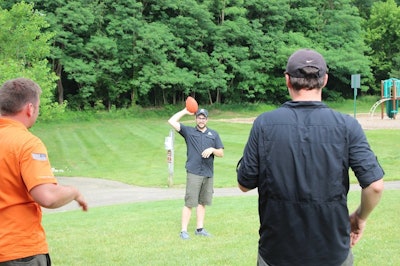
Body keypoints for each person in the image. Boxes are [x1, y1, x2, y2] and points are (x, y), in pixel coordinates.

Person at [237, 49, 384, 266]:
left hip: (276, 254)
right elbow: (375, 186)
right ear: (324, 80)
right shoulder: (346, 126)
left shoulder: (264, 124)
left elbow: (244, 184)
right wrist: (359, 218)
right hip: (332, 253)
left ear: (287, 80)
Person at [0, 78, 88, 266]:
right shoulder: (26, 143)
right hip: (18, 252)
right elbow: (47, 196)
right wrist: (75, 192)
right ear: (30, 109)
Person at [168, 107, 224, 240]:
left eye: (203, 118)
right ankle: (183, 231)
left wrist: (212, 149)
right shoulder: (189, 132)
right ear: (196, 118)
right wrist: (184, 111)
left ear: (207, 119)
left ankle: (200, 229)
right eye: (199, 117)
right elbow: (171, 121)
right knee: (189, 202)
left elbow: (221, 153)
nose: (201, 120)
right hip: (194, 172)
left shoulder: (213, 134)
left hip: (208, 172)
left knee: (202, 202)